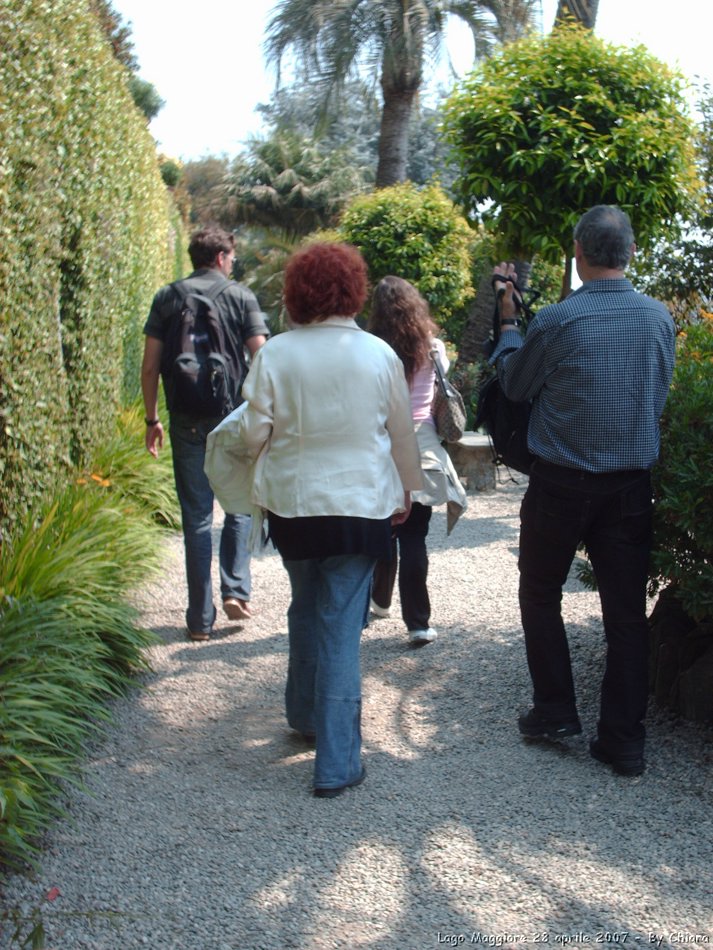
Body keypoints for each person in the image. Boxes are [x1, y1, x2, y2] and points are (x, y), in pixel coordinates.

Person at [205, 242, 423, 797]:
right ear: (352, 290)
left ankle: (303, 716)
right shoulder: (380, 355)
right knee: (341, 626)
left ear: (298, 292)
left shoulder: (277, 353)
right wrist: (408, 490)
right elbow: (401, 438)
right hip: (360, 509)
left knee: (306, 605)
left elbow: (254, 432)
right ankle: (337, 762)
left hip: (294, 508)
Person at [490, 205, 675, 777]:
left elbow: (516, 388)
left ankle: (555, 709)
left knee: (540, 591)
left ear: (577, 251)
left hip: (559, 482)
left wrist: (510, 331)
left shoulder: (559, 319)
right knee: (626, 615)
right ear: (631, 253)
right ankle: (623, 740)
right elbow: (659, 395)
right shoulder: (657, 318)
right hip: (628, 485)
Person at [141, 225, 269, 642]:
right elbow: (262, 357)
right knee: (239, 502)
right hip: (231, 416)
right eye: (231, 258)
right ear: (220, 258)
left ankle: (199, 619)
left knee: (196, 519)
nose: (232, 264)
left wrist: (151, 419)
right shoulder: (240, 296)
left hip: (185, 418)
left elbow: (149, 366)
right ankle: (236, 589)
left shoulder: (166, 297)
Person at [367, 276, 467, 645]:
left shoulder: (371, 348)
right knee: (414, 537)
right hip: (422, 445)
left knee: (381, 529)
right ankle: (418, 623)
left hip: (380, 444)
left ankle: (377, 601)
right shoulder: (434, 347)